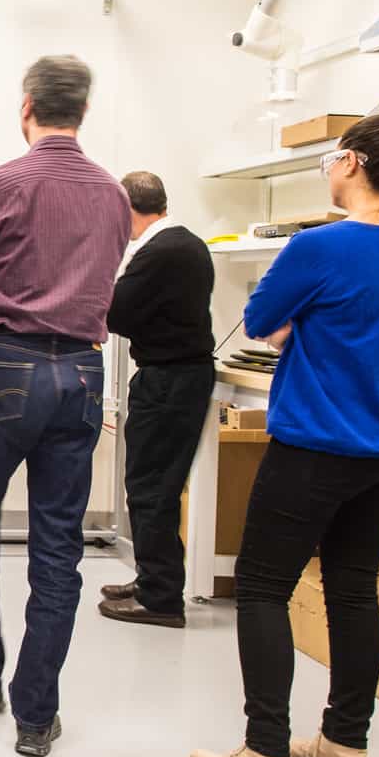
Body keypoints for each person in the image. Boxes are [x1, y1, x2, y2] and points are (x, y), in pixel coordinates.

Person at [189, 113, 379, 757]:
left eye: (331, 159)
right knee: (352, 589)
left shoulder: (319, 245)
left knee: (262, 587)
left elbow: (260, 320)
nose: (327, 170)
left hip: (320, 446)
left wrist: (301, 328)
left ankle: (264, 755)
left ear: (353, 162)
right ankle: (345, 746)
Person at [0, 56, 130, 757]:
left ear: (26, 107)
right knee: (58, 549)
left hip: (5, 367)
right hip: (82, 374)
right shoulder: (114, 196)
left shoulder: (1, 184)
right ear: (83, 111)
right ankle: (36, 717)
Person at [98, 172, 216, 628]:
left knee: (151, 487)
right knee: (154, 484)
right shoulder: (186, 243)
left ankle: (161, 598)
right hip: (179, 377)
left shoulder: (160, 252)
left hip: (169, 381)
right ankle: (152, 579)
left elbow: (117, 313)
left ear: (125, 208)